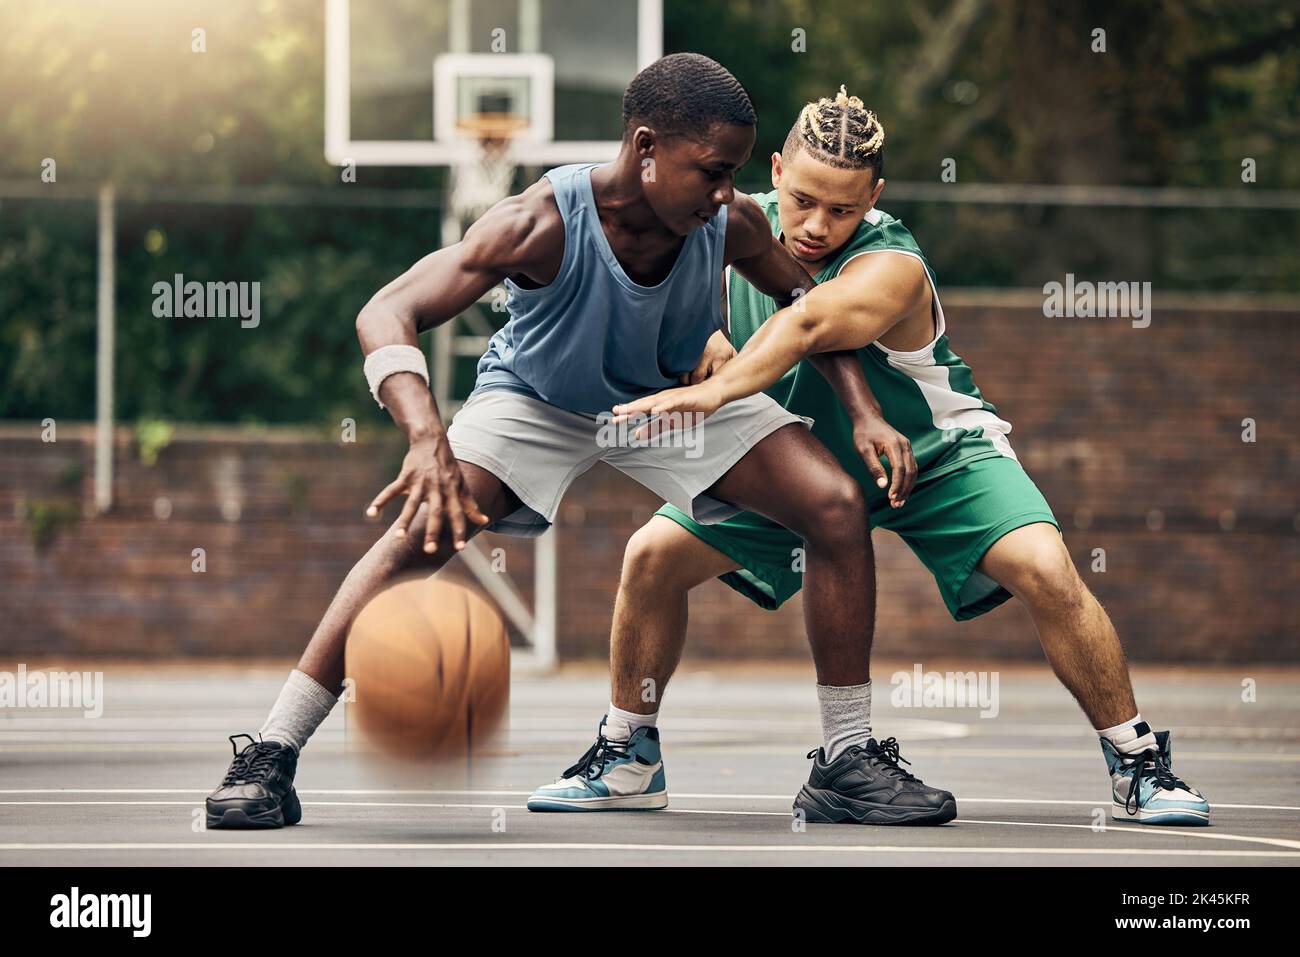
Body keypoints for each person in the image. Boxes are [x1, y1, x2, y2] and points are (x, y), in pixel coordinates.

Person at [206, 56, 952, 829]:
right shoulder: (539, 222)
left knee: (833, 504)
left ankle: (847, 759)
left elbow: (806, 299)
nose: (728, 191)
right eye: (712, 172)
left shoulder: (727, 223)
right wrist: (426, 437)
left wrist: (863, 410)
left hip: (668, 398)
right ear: (645, 147)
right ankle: (270, 754)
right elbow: (385, 311)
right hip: (537, 399)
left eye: (733, 173)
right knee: (418, 536)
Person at [530, 88, 1209, 828]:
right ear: (778, 170)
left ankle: (1138, 765)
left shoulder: (894, 262)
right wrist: (695, 339)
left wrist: (716, 387)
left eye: (844, 210)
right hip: (793, 459)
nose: (819, 226)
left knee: (1047, 567)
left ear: (874, 198)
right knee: (650, 557)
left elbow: (810, 320)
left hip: (933, 453)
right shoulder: (720, 225)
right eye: (805, 201)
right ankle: (629, 755)